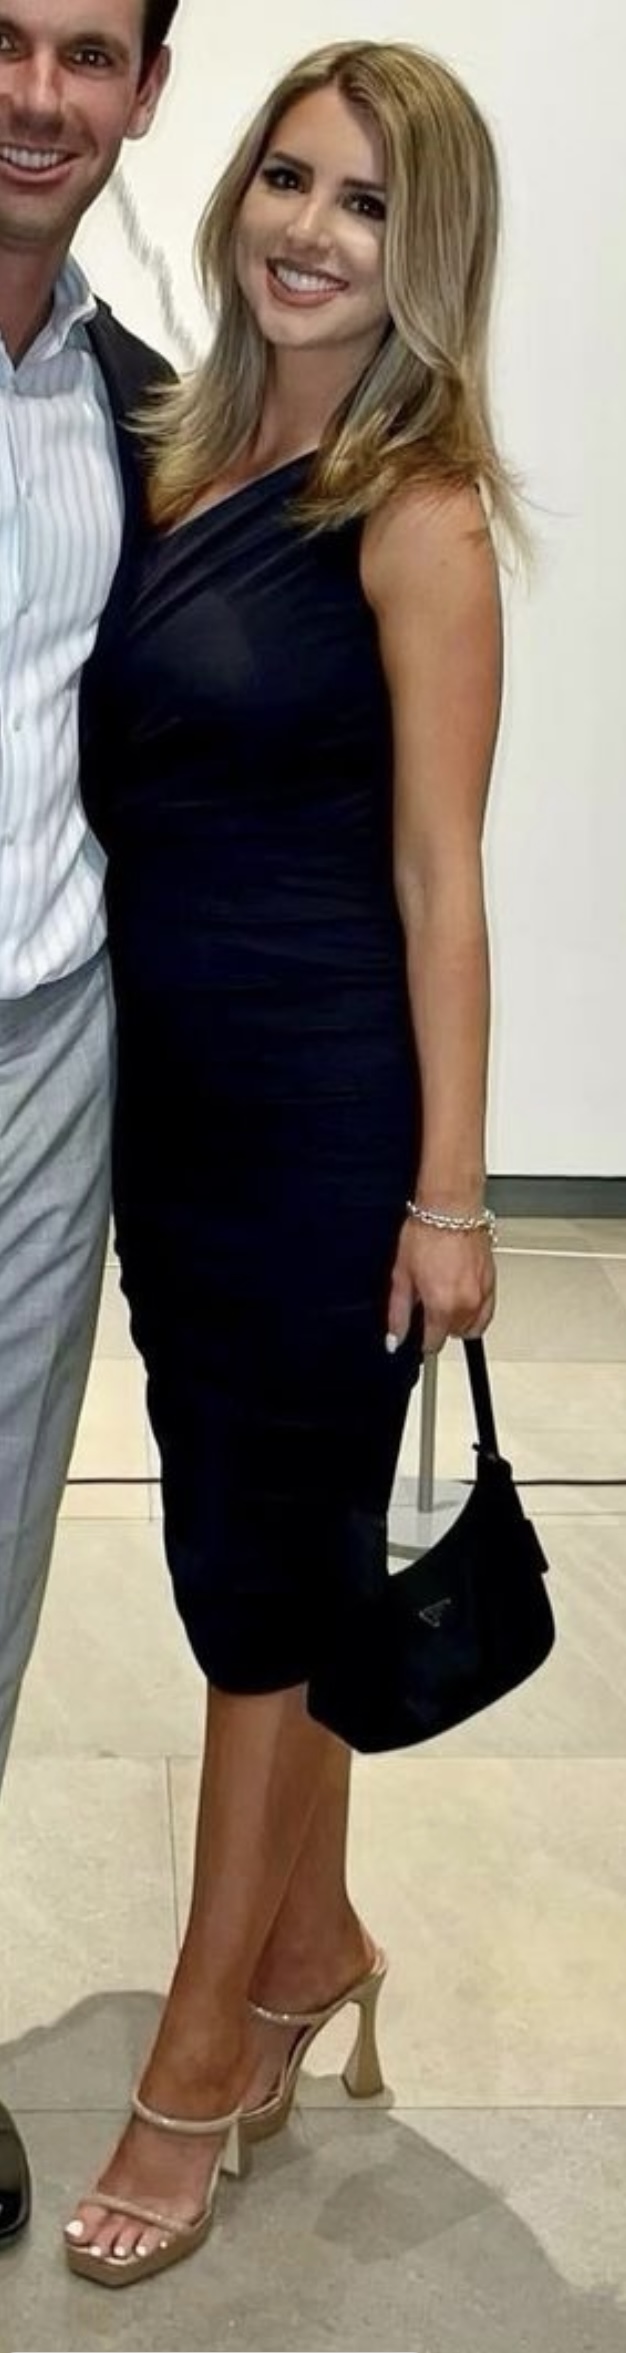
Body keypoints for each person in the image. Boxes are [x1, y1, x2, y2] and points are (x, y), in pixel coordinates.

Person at [64, 38, 518, 2290]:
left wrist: (450, 1195)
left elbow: (442, 876)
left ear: (425, 260)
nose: (310, 231)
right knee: (274, 1547)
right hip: (174, 1105)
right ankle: (314, 1937)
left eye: (365, 205)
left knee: (252, 1599)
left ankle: (195, 2060)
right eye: (291, 179)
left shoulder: (416, 514)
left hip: (324, 1122)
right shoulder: (177, 451)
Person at [0, 0, 179, 2248]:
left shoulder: (142, 410)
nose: (36, 96)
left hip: (43, 1055)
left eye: (84, 55)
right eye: (3, 40)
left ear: (142, 93)